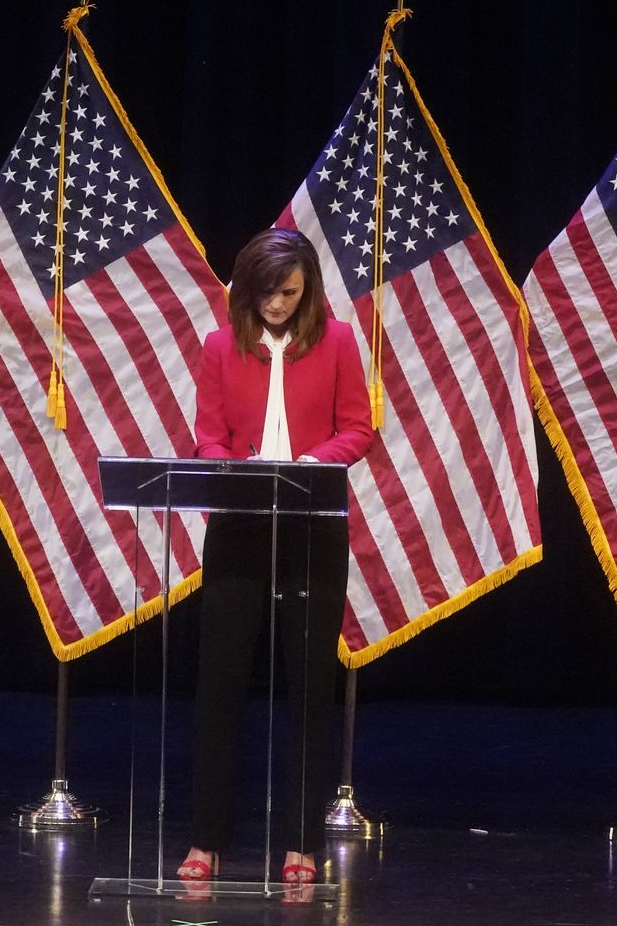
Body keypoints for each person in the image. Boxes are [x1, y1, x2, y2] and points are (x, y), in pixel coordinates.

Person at [177, 227, 373, 888]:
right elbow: (208, 437)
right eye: (266, 293)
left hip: (312, 530)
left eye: (288, 293)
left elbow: (358, 428)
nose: (277, 304)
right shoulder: (219, 346)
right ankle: (205, 840)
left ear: (307, 289)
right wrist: (228, 472)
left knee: (310, 689)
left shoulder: (338, 341)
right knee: (219, 686)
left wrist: (313, 463)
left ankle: (301, 845)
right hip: (239, 530)